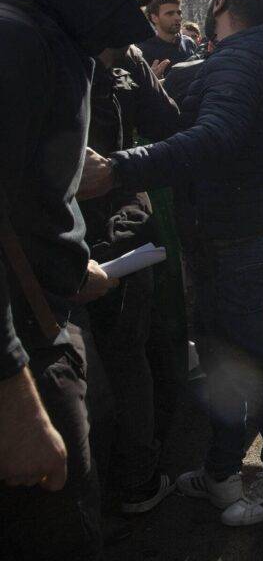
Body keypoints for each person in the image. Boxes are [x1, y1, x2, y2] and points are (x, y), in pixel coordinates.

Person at [0, 0, 197, 559]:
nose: (146, 22)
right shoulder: (17, 42)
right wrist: (15, 401)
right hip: (23, 352)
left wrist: (66, 259)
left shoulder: (48, 38)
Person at [90, 0, 263, 526]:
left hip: (236, 237)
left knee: (254, 360)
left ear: (217, 3)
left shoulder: (238, 62)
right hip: (227, 234)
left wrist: (119, 167)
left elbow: (212, 138)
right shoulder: (247, 58)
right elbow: (196, 107)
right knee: (222, 360)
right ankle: (220, 470)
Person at [84, 43, 181, 514]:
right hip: (50, 237)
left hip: (122, 231)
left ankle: (135, 479)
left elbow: (167, 124)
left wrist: (119, 165)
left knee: (125, 353)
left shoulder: (130, 56)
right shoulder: (34, 43)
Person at [137, 0, 196, 74]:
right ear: (154, 18)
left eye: (179, 13)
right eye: (170, 14)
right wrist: (153, 81)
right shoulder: (142, 50)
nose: (178, 18)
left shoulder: (189, 43)